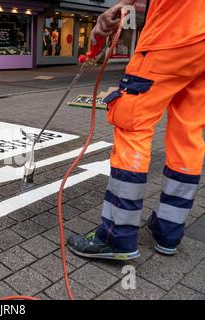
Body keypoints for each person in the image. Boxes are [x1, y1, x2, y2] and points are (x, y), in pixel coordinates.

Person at [68, 0, 205, 260]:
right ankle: (168, 231)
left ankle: (116, 236)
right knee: (188, 133)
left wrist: (121, 5)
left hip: (173, 33)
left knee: (132, 123)